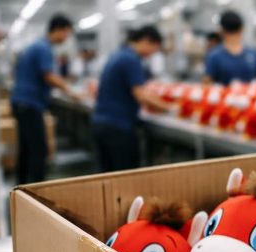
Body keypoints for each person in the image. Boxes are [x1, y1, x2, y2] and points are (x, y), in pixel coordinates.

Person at [92, 25, 174, 172]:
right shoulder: (131, 60)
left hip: (101, 123)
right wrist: (170, 108)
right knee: (125, 175)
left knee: (108, 175)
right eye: (154, 48)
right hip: (118, 127)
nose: (153, 54)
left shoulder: (119, 55)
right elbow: (140, 94)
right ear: (146, 41)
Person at [10, 14, 80, 184]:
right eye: (66, 33)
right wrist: (71, 91)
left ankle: (22, 186)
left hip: (21, 102)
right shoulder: (44, 48)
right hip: (29, 104)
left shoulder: (38, 46)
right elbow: (48, 76)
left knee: (26, 149)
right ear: (58, 30)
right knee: (39, 150)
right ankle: (37, 192)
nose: (66, 38)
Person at [203, 11, 256, 85]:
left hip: (224, 96)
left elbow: (206, 84)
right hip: (251, 96)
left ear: (221, 30)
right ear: (241, 29)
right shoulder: (254, 54)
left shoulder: (214, 56)